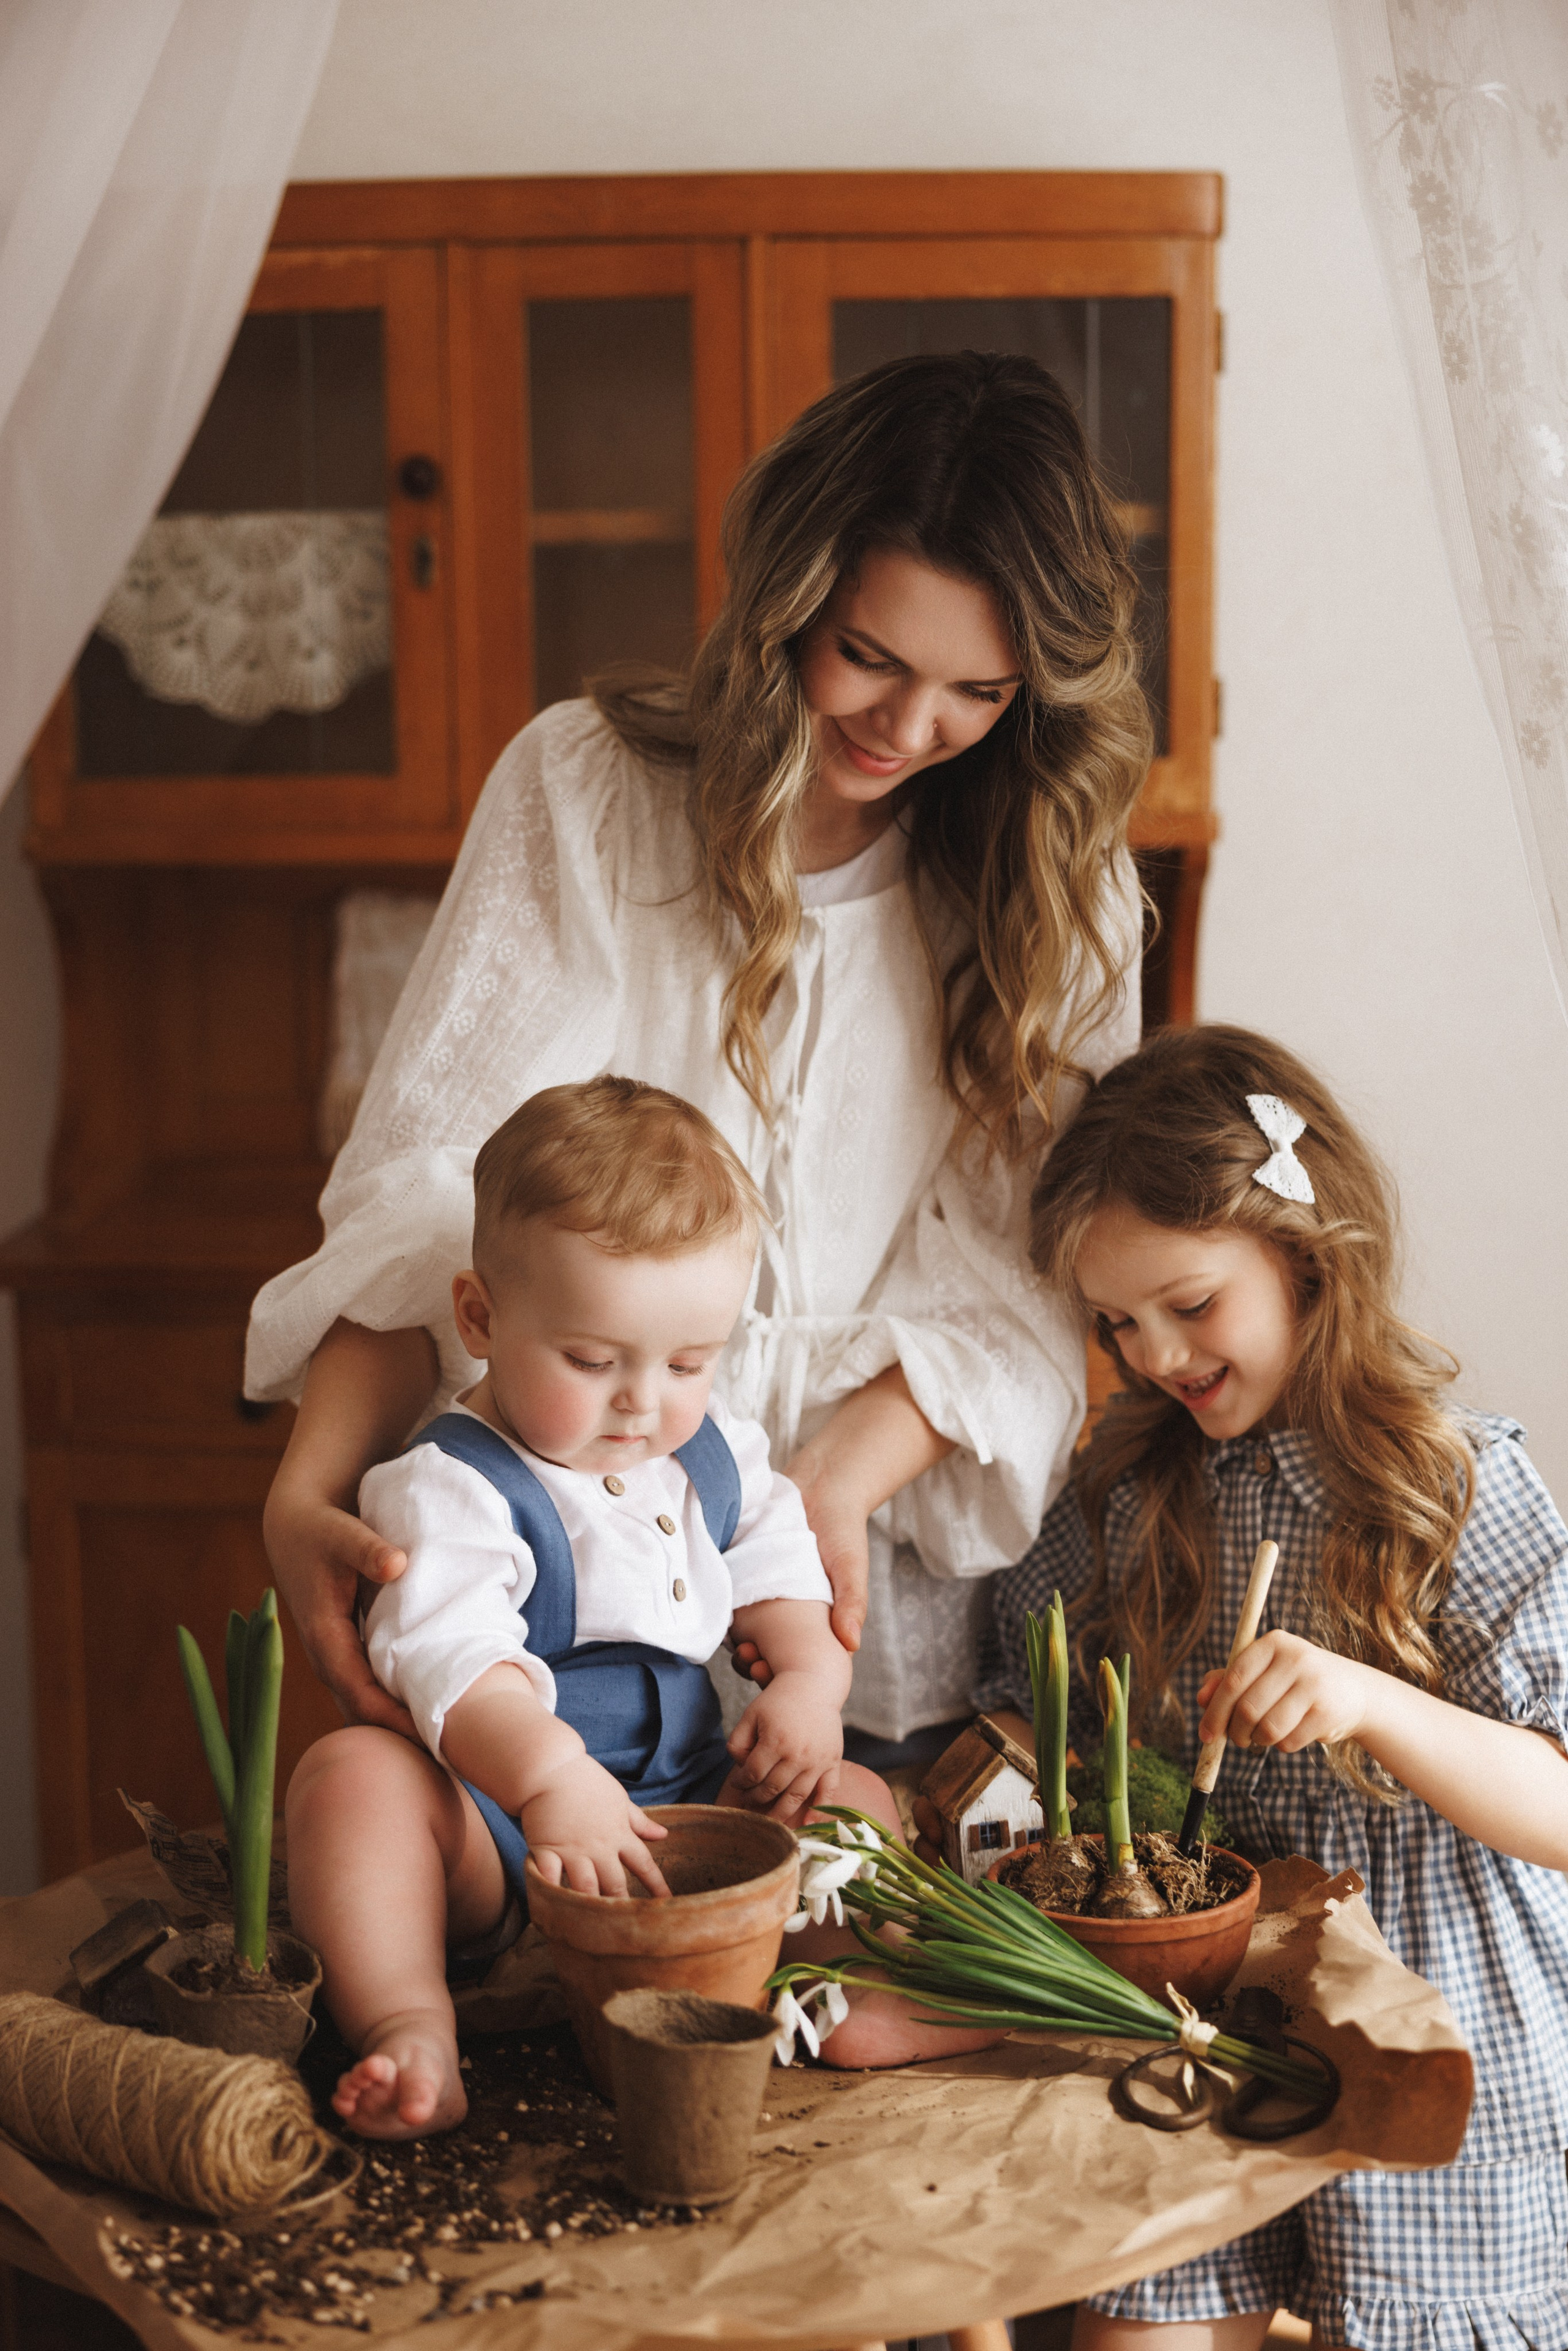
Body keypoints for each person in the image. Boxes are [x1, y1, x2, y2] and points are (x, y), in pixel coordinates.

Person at [247, 349, 1149, 1768]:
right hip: (537, 1626)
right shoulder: (587, 792)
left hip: (859, 1630)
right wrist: (307, 1484)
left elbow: (1017, 1285)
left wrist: (825, 1488)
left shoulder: (1053, 891)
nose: (910, 731)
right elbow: (430, 1190)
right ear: (786, 588)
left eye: (977, 688)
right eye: (868, 655)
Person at [974, 1024, 1568, 2351]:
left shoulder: (1453, 1486)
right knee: (1139, 2321)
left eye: (1188, 1304)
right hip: (1200, 2002)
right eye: (1114, 1323)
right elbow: (1025, 1699)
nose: (1154, 1355)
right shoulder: (1124, 1493)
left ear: (1304, 1254)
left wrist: (1371, 1701)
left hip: (1427, 1993)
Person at [287, 1077, 923, 2140]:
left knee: (852, 1792)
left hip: (690, 1806)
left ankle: (856, 1993)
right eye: (592, 1360)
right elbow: (454, 1657)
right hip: (500, 1833)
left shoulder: (702, 1444)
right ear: (480, 1317)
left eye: (687, 1361)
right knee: (349, 1782)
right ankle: (411, 2024)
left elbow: (778, 1551)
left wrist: (811, 1676)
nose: (643, 1401)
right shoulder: (453, 1483)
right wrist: (548, 1781)